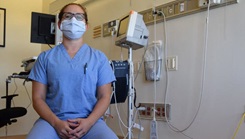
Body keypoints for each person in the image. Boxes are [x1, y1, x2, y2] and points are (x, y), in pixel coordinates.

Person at [27, 3, 118, 139]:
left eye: (79, 17)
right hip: (52, 121)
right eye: (68, 16)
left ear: (86, 26)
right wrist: (56, 123)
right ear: (59, 24)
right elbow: (37, 98)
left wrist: (89, 122)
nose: (73, 20)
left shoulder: (99, 58)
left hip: (90, 122)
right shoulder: (45, 58)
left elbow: (104, 96)